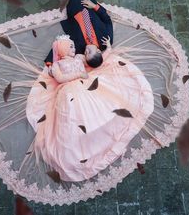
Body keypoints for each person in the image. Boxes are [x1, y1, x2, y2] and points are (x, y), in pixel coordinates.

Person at [29, 34, 154, 182]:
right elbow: (60, 79)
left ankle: (102, 129)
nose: (74, 48)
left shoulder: (79, 58)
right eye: (70, 46)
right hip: (67, 91)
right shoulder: (57, 66)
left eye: (73, 46)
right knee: (73, 115)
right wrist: (78, 74)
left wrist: (107, 49)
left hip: (85, 86)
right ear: (62, 49)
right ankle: (81, 142)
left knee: (99, 106)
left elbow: (94, 59)